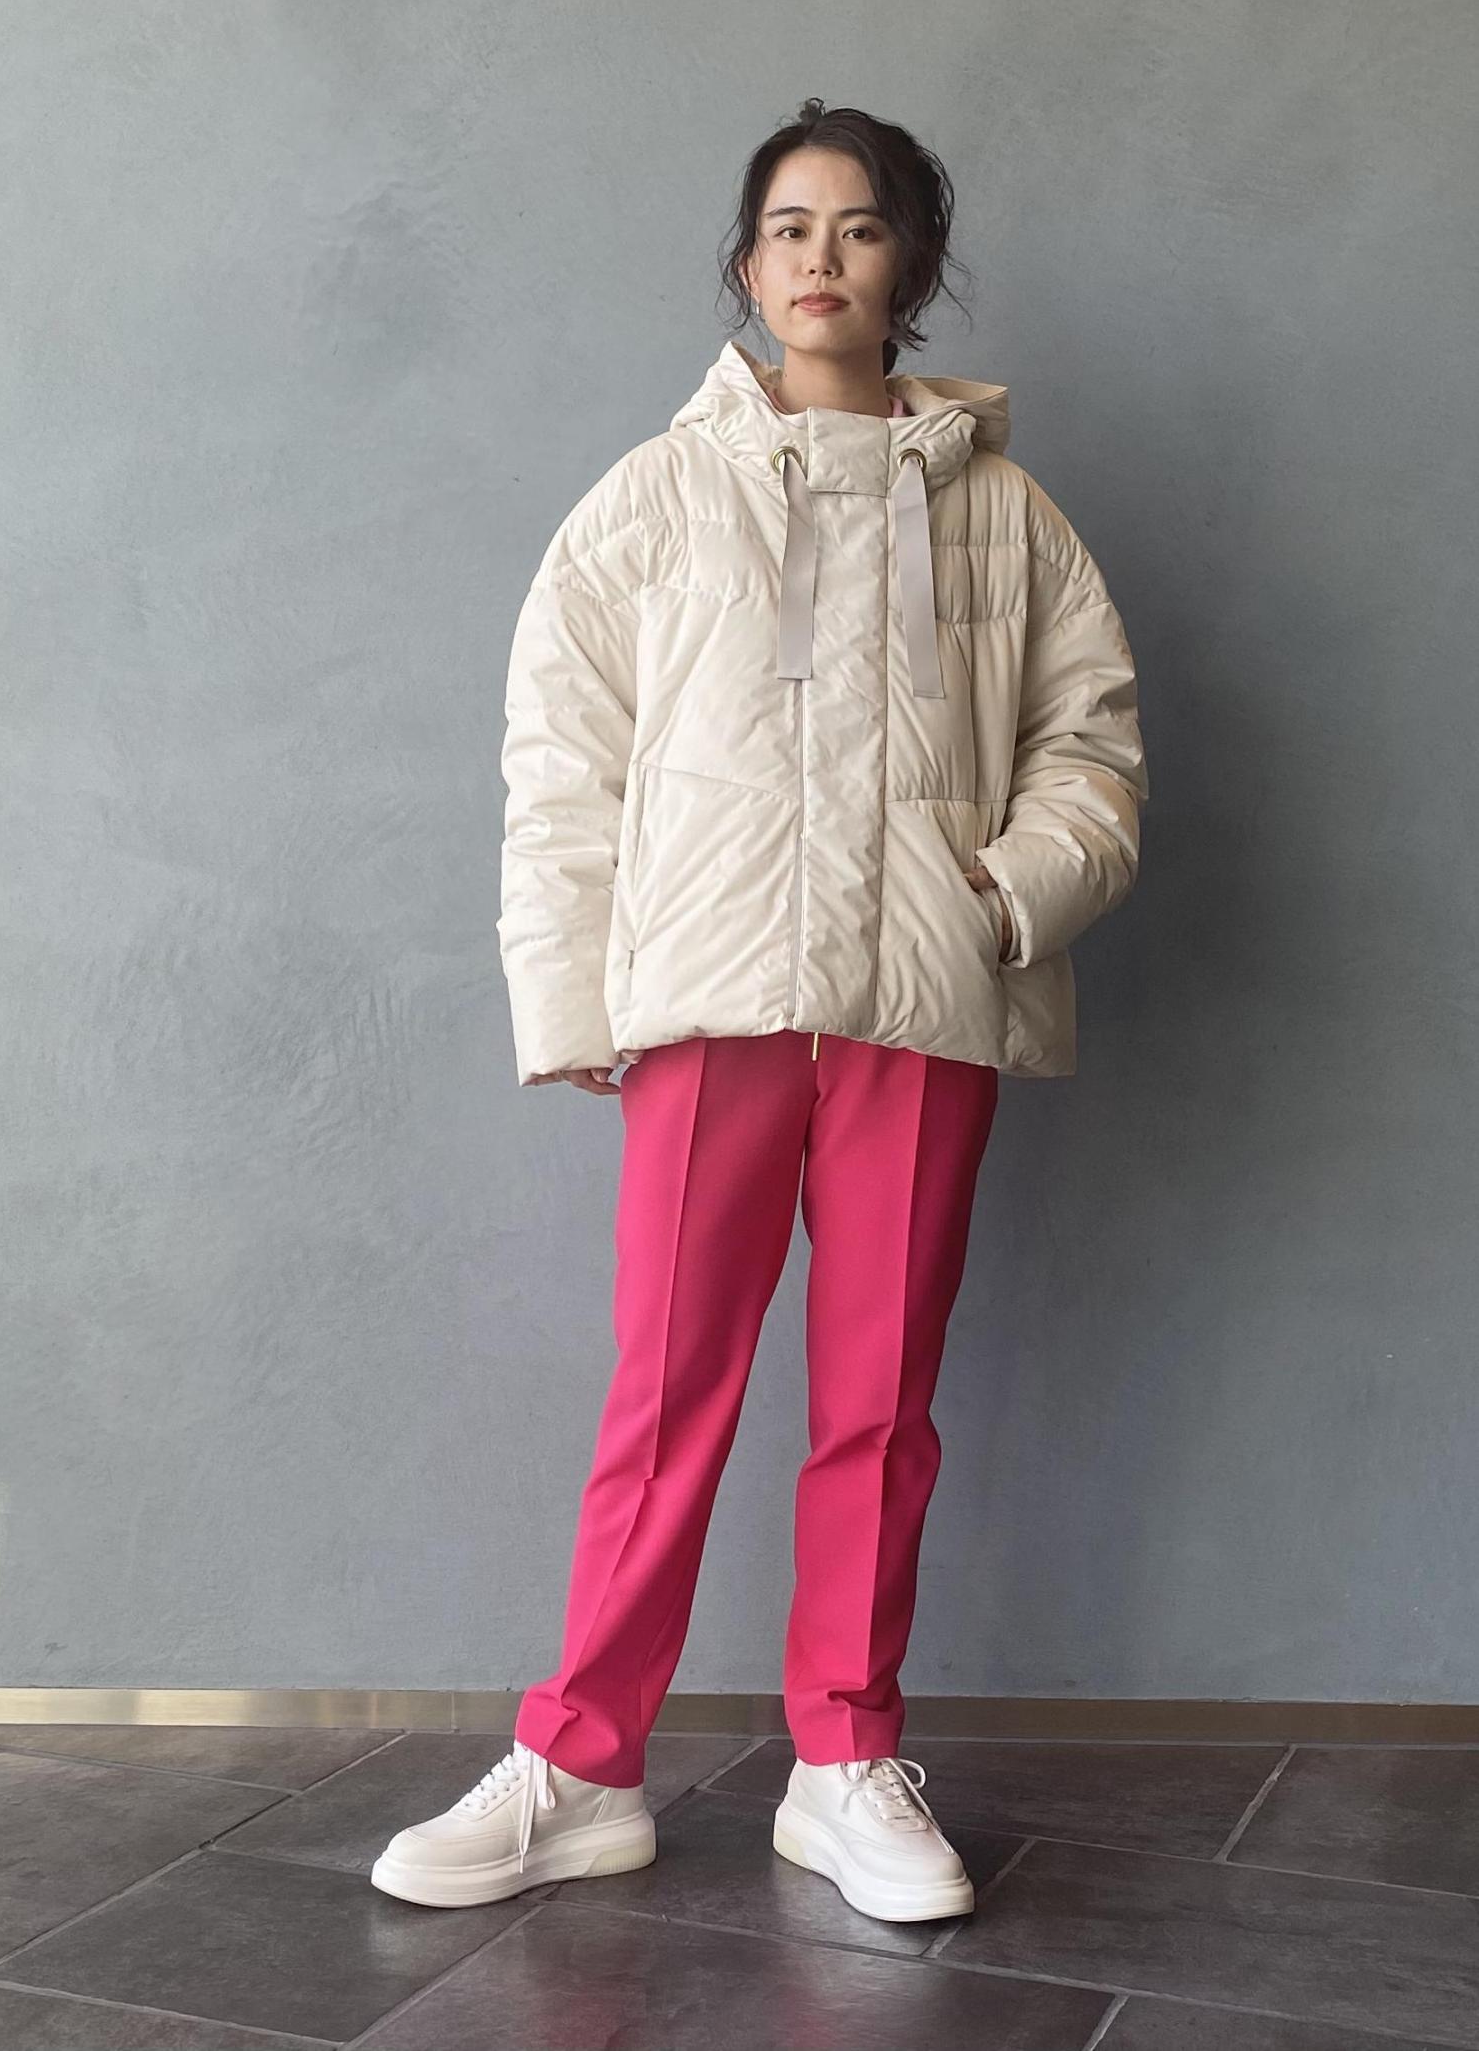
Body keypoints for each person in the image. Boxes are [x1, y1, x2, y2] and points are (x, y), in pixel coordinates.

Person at [372, 99, 1148, 1926]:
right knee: (665, 1392)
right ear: (745, 263)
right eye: (789, 226)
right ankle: (579, 1767)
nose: (820, 256)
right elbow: (562, 760)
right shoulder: (650, 501)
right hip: (711, 1001)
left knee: (880, 1402)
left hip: (920, 1004)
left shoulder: (1009, 517)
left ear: (910, 268)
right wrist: (573, 991)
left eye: (860, 227)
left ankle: (843, 1763)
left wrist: (996, 899)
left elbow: (1093, 750)